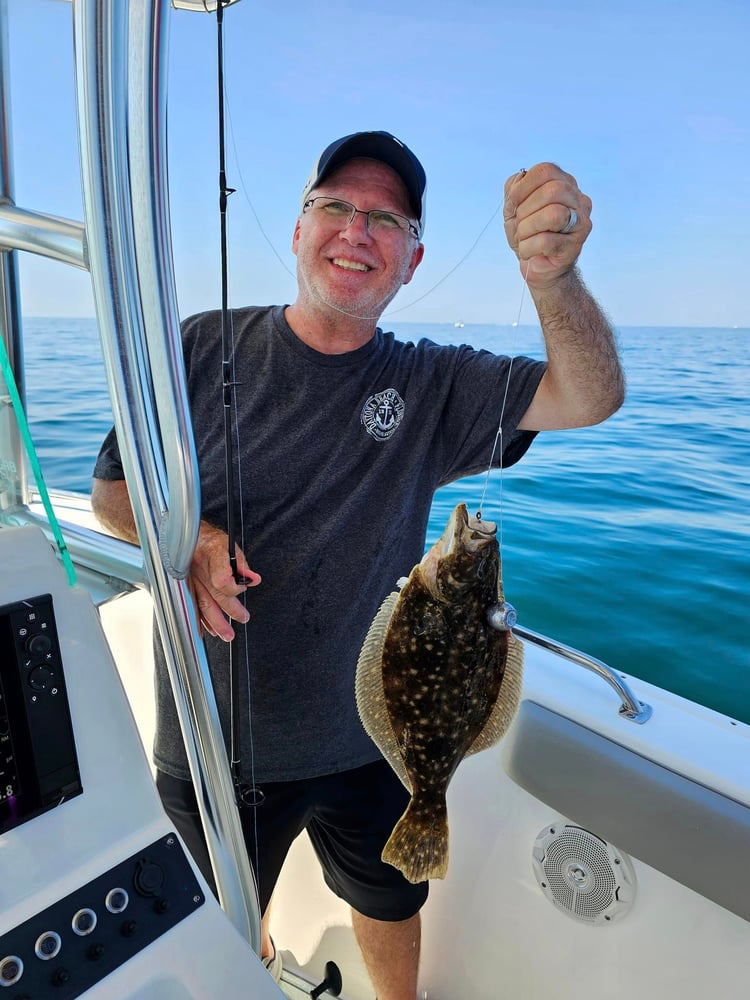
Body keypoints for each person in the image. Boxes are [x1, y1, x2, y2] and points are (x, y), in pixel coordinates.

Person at [91, 130, 624, 1000]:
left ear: (412, 262)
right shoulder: (195, 347)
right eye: (335, 207)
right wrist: (188, 539)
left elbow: (590, 397)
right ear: (299, 228)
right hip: (213, 742)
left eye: (386, 218)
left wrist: (553, 281)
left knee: (389, 897)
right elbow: (111, 493)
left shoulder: (432, 385)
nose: (356, 230)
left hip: (378, 737)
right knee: (229, 921)